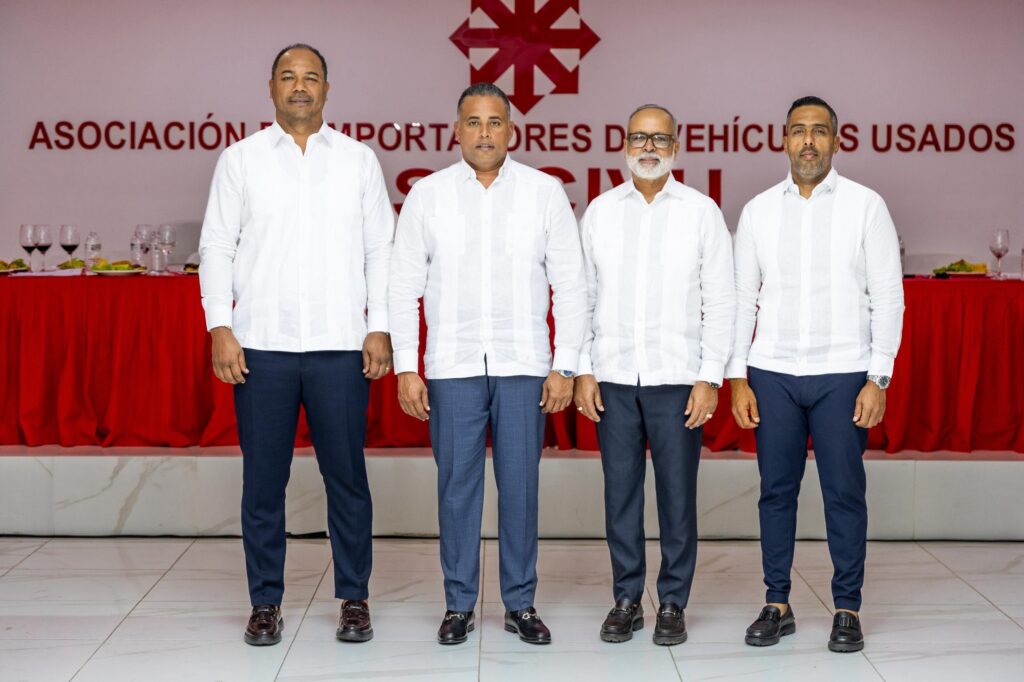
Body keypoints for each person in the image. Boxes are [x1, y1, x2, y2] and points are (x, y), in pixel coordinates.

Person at [198, 43, 394, 646]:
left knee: (347, 479)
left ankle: (354, 598)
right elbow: (217, 246)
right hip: (262, 346)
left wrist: (380, 324)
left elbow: (380, 250)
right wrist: (220, 326)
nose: (300, 86)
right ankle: (265, 602)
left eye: (311, 77)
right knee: (263, 482)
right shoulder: (241, 160)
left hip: (341, 346)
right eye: (289, 77)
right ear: (271, 88)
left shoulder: (358, 160)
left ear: (328, 89)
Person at [388, 82, 587, 646]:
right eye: (473, 122)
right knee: (457, 488)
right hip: (451, 364)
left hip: (523, 363)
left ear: (511, 131)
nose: (484, 132)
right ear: (456, 130)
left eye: (494, 122)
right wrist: (407, 365)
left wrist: (565, 366)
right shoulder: (427, 195)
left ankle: (520, 603)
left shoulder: (544, 192)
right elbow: (403, 285)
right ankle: (458, 604)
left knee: (520, 488)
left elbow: (572, 285)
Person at [727, 96, 904, 653]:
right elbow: (742, 298)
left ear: (836, 140)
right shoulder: (758, 210)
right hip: (773, 371)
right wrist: (737, 376)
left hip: (843, 372)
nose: (808, 141)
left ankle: (847, 608)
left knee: (844, 492)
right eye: (799, 131)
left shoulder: (866, 206)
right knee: (775, 492)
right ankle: (776, 603)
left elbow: (888, 296)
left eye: (819, 131)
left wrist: (879, 377)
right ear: (783, 140)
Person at [574, 104, 735, 646]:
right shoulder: (600, 212)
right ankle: (626, 599)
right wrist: (583, 369)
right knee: (620, 495)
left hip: (678, 379)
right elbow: (582, 296)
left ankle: (672, 602)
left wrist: (710, 377)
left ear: (676, 147)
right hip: (614, 378)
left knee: (677, 497)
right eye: (639, 138)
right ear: (624, 145)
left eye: (659, 139)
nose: (648, 147)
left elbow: (721, 300)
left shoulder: (701, 212)